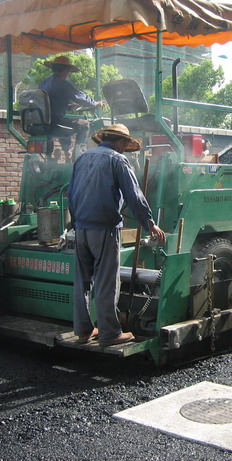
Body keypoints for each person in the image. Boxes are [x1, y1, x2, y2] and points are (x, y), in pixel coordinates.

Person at [68, 123, 166, 346]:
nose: (125, 149)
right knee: (106, 281)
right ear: (120, 142)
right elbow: (134, 196)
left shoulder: (83, 158)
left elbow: (70, 193)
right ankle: (110, 333)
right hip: (105, 228)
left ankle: (83, 331)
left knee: (82, 281)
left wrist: (75, 223)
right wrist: (150, 223)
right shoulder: (118, 160)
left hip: (81, 228)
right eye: (125, 144)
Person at [39, 55, 103, 162]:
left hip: (44, 122)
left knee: (66, 125)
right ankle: (77, 156)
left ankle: (65, 153)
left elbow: (49, 103)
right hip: (55, 122)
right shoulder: (63, 84)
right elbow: (80, 97)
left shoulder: (44, 83)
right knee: (84, 124)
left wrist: (69, 107)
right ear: (65, 70)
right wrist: (95, 103)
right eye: (68, 71)